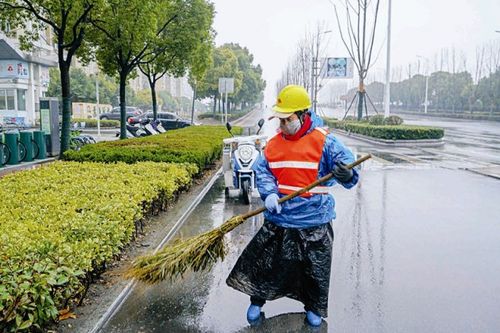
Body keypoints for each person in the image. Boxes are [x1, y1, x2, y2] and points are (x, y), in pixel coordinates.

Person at [226, 84, 359, 327]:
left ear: (302, 115)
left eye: (287, 120)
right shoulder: (274, 144)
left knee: (314, 273)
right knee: (265, 266)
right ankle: (256, 302)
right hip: (280, 220)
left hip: (314, 223)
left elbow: (350, 167)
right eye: (280, 120)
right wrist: (268, 194)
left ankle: (314, 309)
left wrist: (346, 173)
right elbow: (263, 171)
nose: (282, 125)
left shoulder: (325, 142)